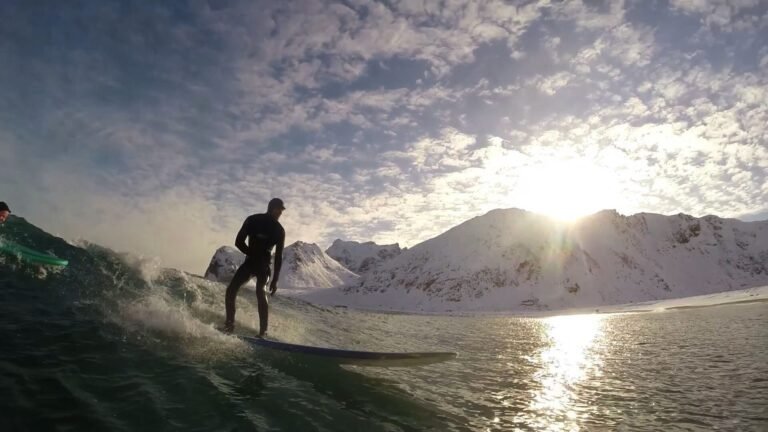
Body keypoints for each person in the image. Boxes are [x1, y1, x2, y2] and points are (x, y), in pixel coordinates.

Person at [223, 198, 286, 336]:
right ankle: (231, 325)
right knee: (240, 290)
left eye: (281, 210)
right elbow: (238, 241)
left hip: (258, 265)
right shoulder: (275, 228)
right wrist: (274, 279)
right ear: (272, 208)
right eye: (279, 210)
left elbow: (239, 242)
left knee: (247, 291)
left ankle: (258, 331)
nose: (281, 213)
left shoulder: (255, 220)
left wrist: (251, 254)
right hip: (257, 264)